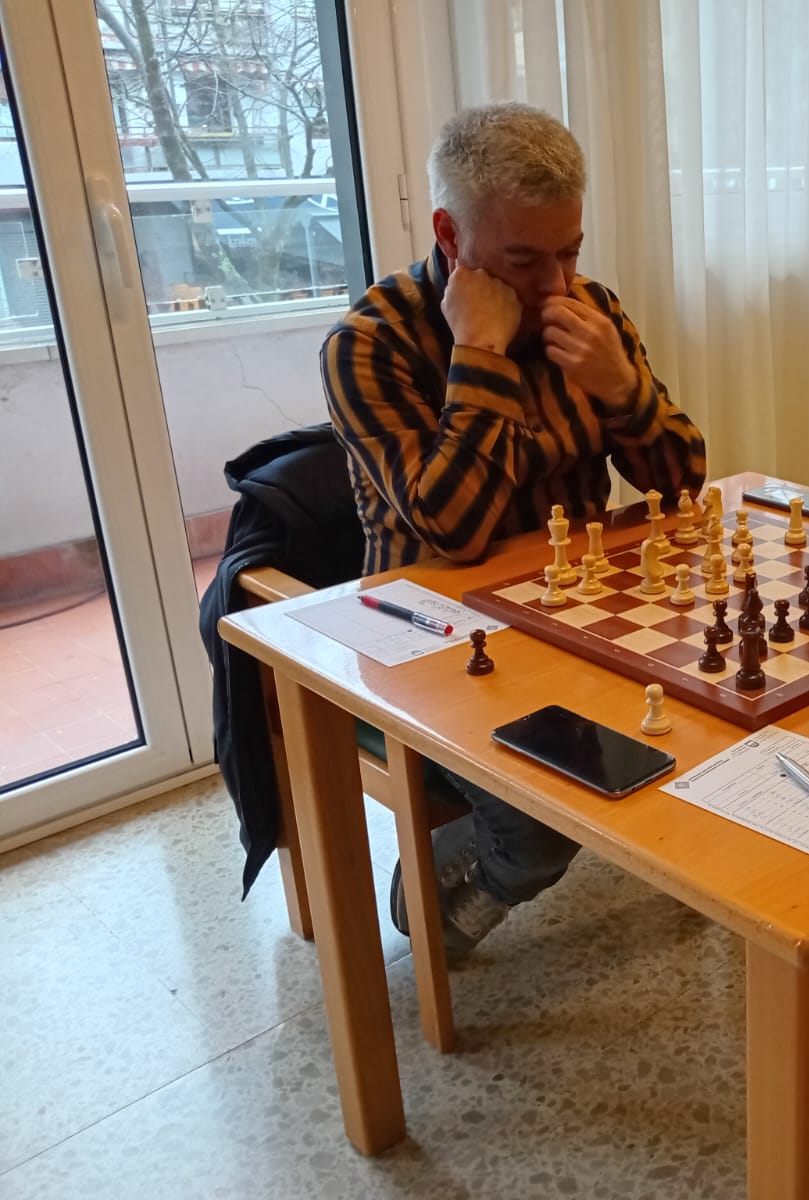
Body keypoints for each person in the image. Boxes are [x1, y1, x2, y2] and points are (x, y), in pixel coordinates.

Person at [322, 103, 707, 961]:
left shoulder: (592, 311)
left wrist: (622, 390)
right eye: (526, 260)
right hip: (432, 645)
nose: (558, 284)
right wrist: (480, 357)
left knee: (720, 717)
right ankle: (440, 899)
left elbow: (682, 484)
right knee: (541, 828)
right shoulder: (369, 344)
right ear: (450, 235)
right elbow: (454, 533)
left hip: (580, 617)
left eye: (571, 251)